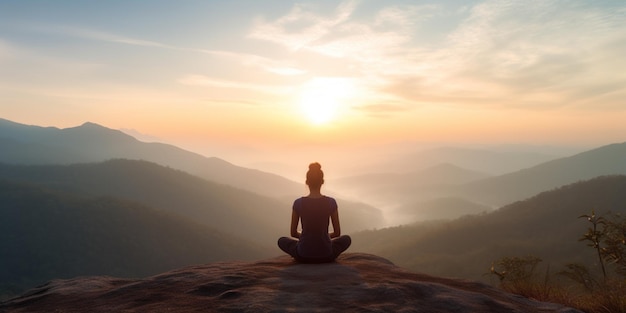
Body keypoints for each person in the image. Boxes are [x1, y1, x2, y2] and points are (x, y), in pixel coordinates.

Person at [278, 162, 351, 263]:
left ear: (307, 182)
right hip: (326, 254)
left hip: (303, 255)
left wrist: (307, 236)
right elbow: (337, 232)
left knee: (282, 241)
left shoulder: (298, 203)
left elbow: (293, 233)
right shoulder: (331, 202)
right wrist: (322, 235)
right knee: (346, 239)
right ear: (322, 182)